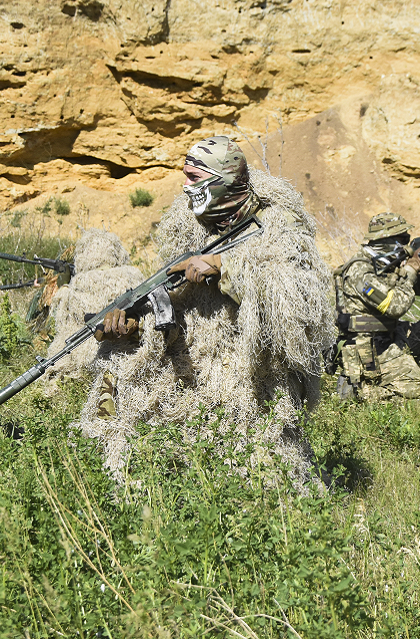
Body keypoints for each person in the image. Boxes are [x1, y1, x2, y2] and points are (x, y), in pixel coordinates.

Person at [82, 136, 334, 481]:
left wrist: (224, 268)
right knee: (116, 368)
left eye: (194, 178)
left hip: (254, 379)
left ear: (223, 181)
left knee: (261, 471)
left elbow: (295, 307)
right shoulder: (191, 230)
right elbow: (181, 318)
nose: (186, 188)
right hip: (197, 366)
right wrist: (137, 330)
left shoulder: (278, 226)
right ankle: (115, 470)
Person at [332, 212, 420, 401]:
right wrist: (411, 269)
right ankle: (361, 392)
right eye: (402, 239)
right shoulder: (360, 272)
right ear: (384, 240)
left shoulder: (384, 263)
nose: (406, 243)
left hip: (390, 334)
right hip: (369, 347)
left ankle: (405, 370)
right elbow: (396, 306)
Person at [41, 228, 144, 386]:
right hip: (133, 357)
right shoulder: (134, 276)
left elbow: (63, 329)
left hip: (86, 359)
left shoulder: (76, 285)